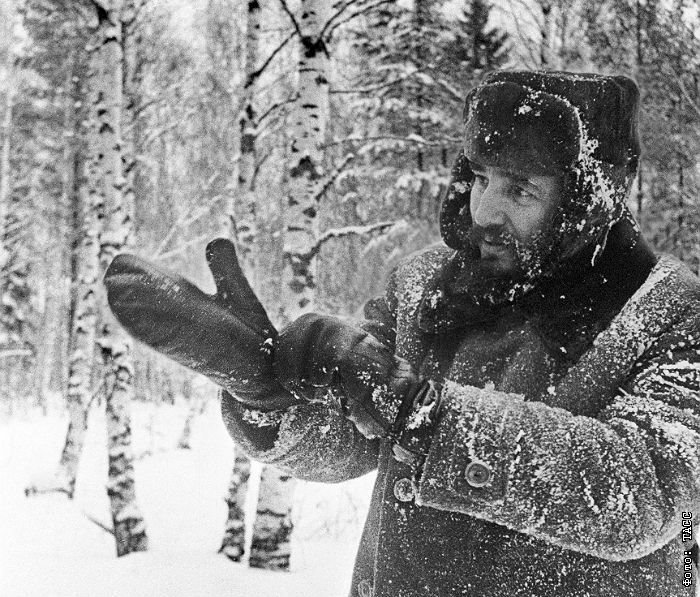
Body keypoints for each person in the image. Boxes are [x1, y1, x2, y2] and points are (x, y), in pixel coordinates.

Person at [106, 71, 700, 597]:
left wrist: (417, 412)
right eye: (480, 178)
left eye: (521, 189)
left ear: (588, 198)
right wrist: (269, 394)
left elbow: (642, 492)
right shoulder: (427, 288)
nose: (485, 212)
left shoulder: (671, 312)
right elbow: (350, 442)